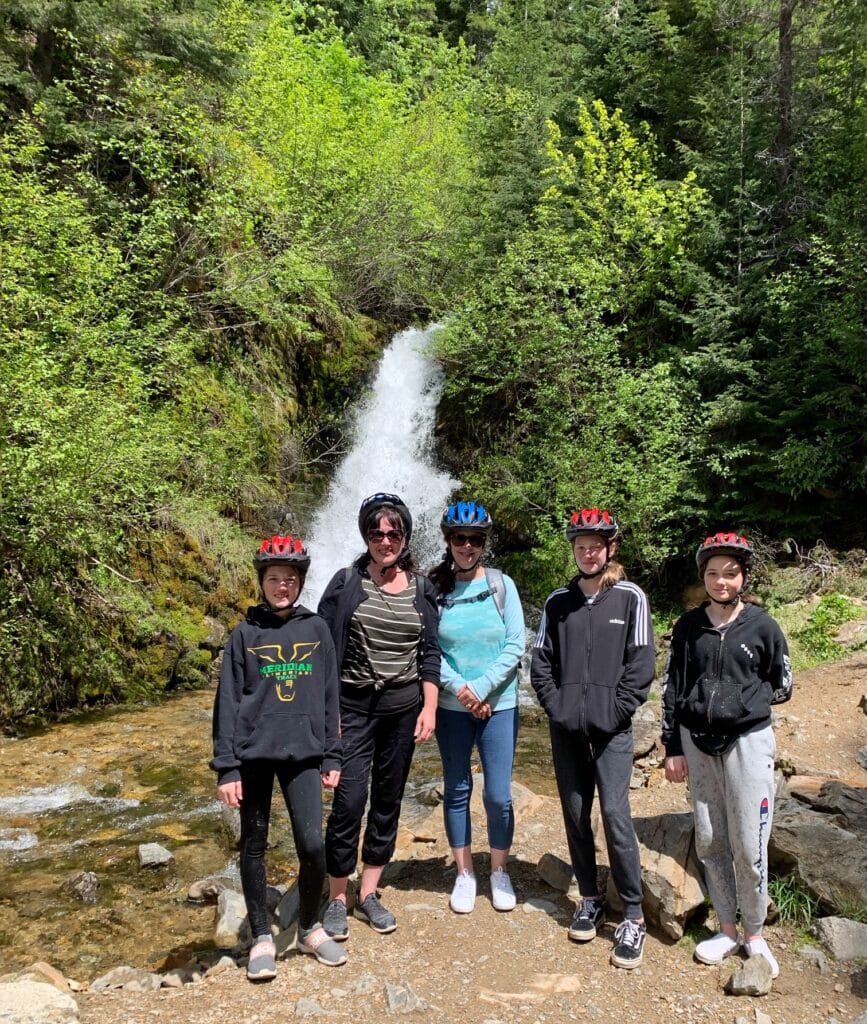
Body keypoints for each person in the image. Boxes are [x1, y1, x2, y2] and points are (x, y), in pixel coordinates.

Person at [210, 534, 345, 980]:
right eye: (273, 579)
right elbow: (227, 704)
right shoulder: (244, 635)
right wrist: (227, 768)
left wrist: (332, 755)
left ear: (300, 582)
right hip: (253, 755)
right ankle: (262, 937)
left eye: (289, 579)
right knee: (254, 844)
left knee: (312, 846)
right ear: (262, 582)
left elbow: (330, 696)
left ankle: (308, 927)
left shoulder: (317, 630)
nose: (281, 586)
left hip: (304, 753)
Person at [662, 532, 792, 978]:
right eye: (713, 573)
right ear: (703, 577)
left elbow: (783, 684)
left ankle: (755, 932)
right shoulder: (688, 627)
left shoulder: (763, 626)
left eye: (730, 573)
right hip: (696, 742)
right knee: (711, 838)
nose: (721, 581)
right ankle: (728, 927)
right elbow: (673, 688)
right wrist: (672, 746)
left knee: (750, 842)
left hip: (748, 741)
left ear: (743, 577)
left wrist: (740, 703)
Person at [531, 508, 655, 969]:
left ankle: (634, 915)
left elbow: (642, 664)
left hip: (612, 730)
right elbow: (540, 663)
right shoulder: (557, 602)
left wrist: (615, 710)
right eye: (581, 546)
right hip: (566, 729)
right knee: (575, 812)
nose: (588, 553)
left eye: (596, 546)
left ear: (610, 548)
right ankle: (588, 897)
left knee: (615, 814)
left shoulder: (630, 597)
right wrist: (558, 707)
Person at [317, 493, 440, 940]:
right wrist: (326, 717)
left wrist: (430, 706)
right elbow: (322, 650)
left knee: (388, 800)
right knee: (349, 802)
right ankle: (337, 896)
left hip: (402, 712)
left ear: (405, 537)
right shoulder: (346, 583)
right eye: (376, 532)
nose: (385, 540)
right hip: (352, 709)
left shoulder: (422, 588)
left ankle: (368, 892)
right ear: (366, 536)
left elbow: (430, 653)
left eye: (393, 533)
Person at [429, 501, 526, 914]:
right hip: (451, 707)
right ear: (448, 541)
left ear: (484, 543)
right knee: (456, 789)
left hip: (499, 704)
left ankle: (499, 870)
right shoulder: (435, 589)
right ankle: (465, 872)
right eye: (459, 538)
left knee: (499, 795)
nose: (467, 546)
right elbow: (429, 648)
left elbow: (516, 644)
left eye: (475, 539)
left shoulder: (503, 586)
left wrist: (481, 689)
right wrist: (461, 689)